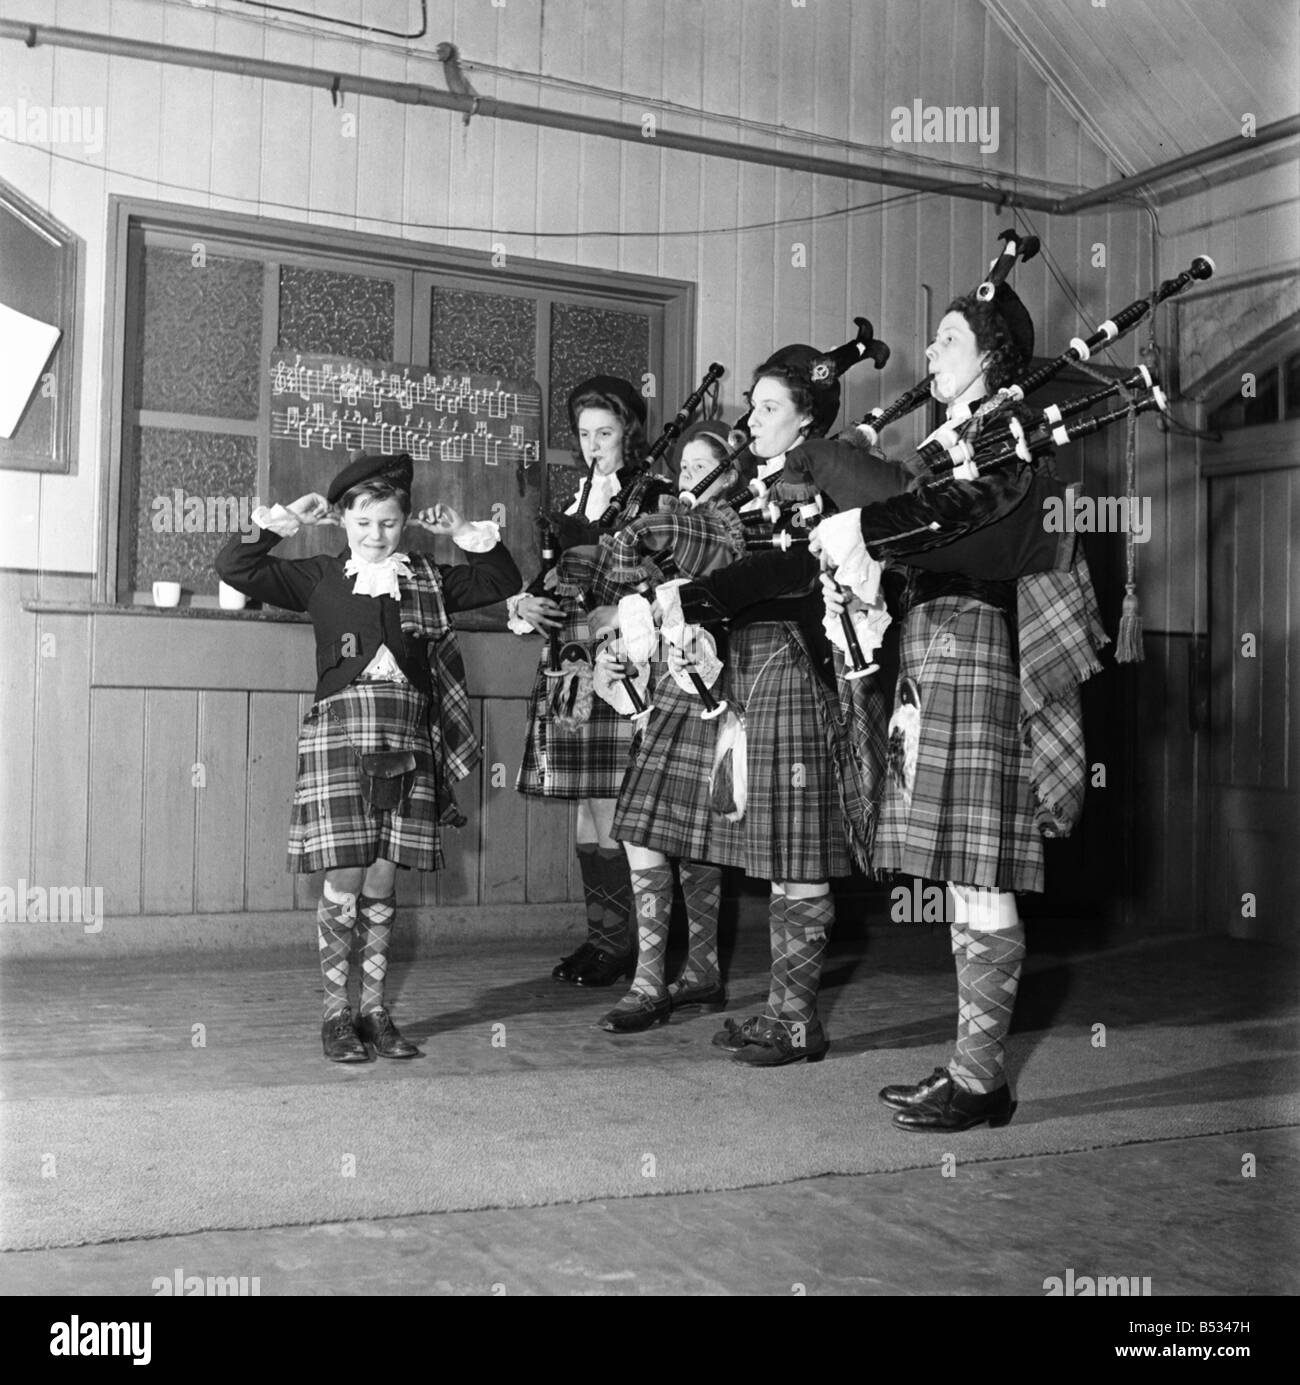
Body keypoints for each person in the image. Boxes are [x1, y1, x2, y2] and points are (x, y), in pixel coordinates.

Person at [812, 285, 1108, 1130]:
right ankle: (974, 1071)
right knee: (959, 872)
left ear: (991, 358)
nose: (931, 353)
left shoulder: (1004, 445)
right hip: (936, 644)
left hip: (980, 649)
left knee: (981, 867)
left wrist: (869, 527)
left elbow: (969, 522)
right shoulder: (949, 446)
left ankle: (981, 1081)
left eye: (947, 339)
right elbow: (909, 510)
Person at [215, 451, 520, 1062]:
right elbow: (235, 565)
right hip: (338, 733)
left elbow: (500, 582)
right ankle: (336, 1015)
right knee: (346, 872)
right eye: (362, 522)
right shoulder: (319, 575)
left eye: (387, 522)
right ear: (343, 521)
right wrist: (281, 524)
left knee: (384, 874)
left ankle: (376, 1011)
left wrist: (463, 533)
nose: (375, 535)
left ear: (403, 522)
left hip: (407, 734)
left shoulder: (428, 577)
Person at [665, 345, 878, 1068]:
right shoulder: (756, 486)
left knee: (798, 850)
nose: (750, 420)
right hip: (753, 673)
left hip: (796, 673)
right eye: (749, 406)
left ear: (807, 421)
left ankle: (795, 1018)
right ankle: (787, 1011)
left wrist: (700, 594)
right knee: (779, 852)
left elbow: (794, 572)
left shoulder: (820, 483)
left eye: (768, 409)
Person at [585, 419, 749, 1032]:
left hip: (717, 691)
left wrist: (635, 538)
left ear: (730, 474)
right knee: (652, 831)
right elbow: (630, 594)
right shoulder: (675, 541)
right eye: (682, 468)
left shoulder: (732, 523)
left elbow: (708, 546)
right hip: (667, 694)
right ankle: (669, 976)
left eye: (701, 467)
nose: (686, 479)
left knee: (684, 835)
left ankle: (677, 976)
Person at [510, 376, 651, 987]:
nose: (595, 446)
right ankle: (602, 938)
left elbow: (661, 586)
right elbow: (551, 586)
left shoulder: (652, 499)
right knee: (584, 812)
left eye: (607, 433)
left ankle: (627, 947)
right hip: (570, 663)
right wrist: (523, 603)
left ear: (629, 436)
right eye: (586, 435)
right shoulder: (571, 508)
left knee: (611, 806)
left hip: (620, 663)